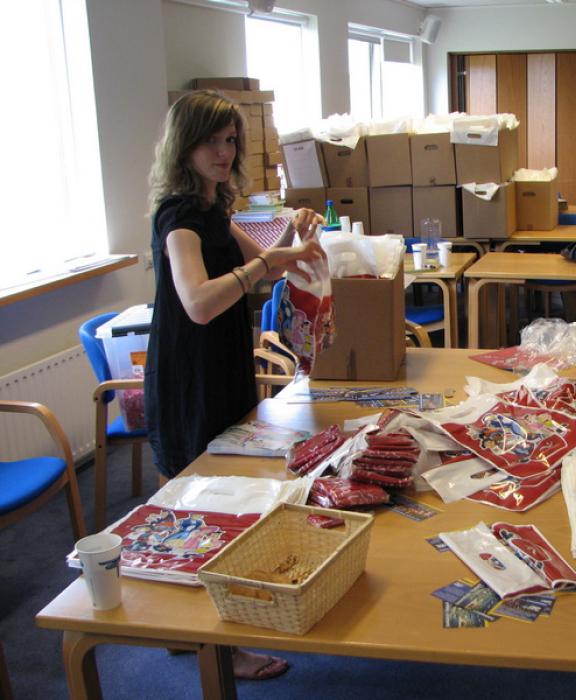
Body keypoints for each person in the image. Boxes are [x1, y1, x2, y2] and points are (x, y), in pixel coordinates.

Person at [145, 89, 326, 681]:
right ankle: (220, 647)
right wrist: (263, 264)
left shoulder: (213, 209)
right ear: (184, 145)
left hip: (221, 365)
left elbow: (269, 266)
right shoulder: (179, 219)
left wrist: (297, 234)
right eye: (211, 141)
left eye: (230, 141)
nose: (223, 152)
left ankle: (189, 629)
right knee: (204, 504)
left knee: (219, 491)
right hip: (189, 373)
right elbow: (199, 303)